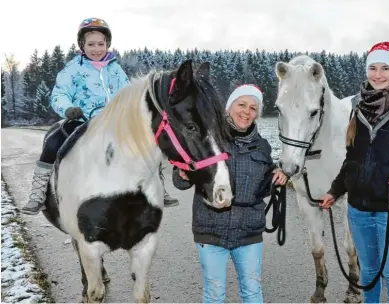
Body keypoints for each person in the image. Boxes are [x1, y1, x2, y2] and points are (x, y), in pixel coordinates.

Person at [20, 17, 177, 215]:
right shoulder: (72, 69)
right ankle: (38, 195)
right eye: (91, 44)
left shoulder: (115, 69)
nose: (96, 49)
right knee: (52, 142)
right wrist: (68, 109)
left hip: (115, 123)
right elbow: (59, 94)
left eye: (101, 44)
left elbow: (128, 93)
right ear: (81, 45)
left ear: (108, 44)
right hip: (82, 120)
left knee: (147, 142)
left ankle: (158, 188)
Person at [319, 41, 389, 303]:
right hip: (358, 209)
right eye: (372, 68)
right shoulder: (357, 106)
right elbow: (352, 160)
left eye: (385, 68)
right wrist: (334, 191)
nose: (378, 74)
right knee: (368, 273)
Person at [173, 84, 288, 303]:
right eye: (241, 104)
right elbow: (180, 181)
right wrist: (182, 175)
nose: (246, 111)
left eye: (253, 108)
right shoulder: (206, 139)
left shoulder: (262, 146)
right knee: (214, 293)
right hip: (210, 229)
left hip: (249, 232)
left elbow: (266, 179)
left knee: (252, 290)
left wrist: (278, 175)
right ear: (229, 107)